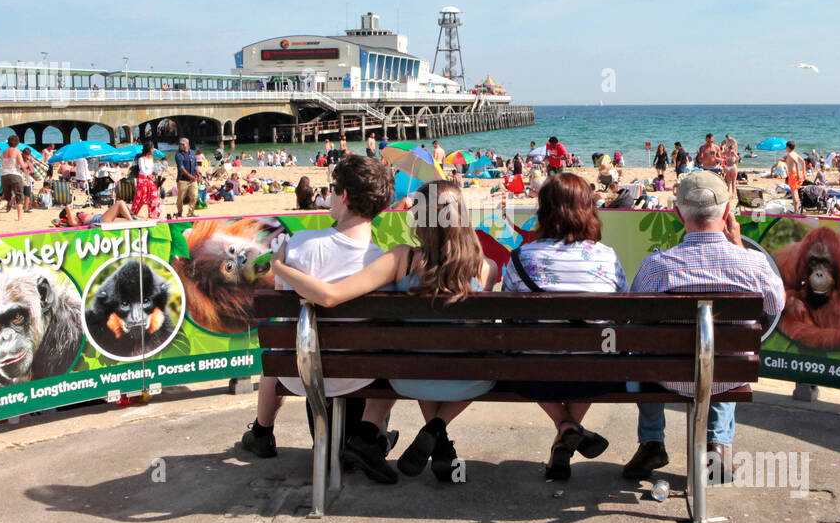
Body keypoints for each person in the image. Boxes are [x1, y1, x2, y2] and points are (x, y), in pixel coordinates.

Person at [271, 180, 499, 481]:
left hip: (407, 377)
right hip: (468, 382)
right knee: (465, 356)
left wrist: (280, 266)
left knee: (416, 352)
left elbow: (330, 296)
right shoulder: (487, 268)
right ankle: (436, 429)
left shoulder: (401, 259)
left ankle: (417, 439)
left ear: (421, 219)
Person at [240, 155, 398, 480]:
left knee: (280, 351)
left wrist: (281, 266)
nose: (329, 195)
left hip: (300, 371)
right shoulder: (382, 262)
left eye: (333, 188)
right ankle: (368, 438)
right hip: (360, 376)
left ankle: (262, 432)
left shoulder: (301, 246)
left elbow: (284, 297)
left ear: (344, 197)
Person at [625, 171, 785, 480]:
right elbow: (775, 306)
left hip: (665, 376)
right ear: (727, 213)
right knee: (725, 353)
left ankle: (652, 442)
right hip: (726, 376)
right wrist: (737, 244)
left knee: (642, 355)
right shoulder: (754, 265)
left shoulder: (656, 267)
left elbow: (635, 322)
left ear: (677, 214)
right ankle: (718, 446)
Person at [500, 173, 627, 480]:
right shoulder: (606, 257)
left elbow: (508, 319)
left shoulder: (519, 258)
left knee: (524, 353)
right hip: (596, 377)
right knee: (596, 355)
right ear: (588, 210)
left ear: (543, 211)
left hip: (533, 376)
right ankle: (568, 431)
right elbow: (622, 314)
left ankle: (565, 426)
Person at [0, 135, 28, 221]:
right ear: (17, 143)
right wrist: (27, 163)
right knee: (19, 196)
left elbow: (3, 164)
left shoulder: (4, 152)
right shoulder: (17, 152)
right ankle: (19, 218)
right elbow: (22, 166)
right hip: (15, 175)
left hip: (4, 175)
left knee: (6, 197)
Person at [132, 142, 162, 219]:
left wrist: (154, 173)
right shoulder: (141, 158)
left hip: (150, 179)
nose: (153, 150)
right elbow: (142, 169)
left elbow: (151, 169)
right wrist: (148, 175)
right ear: (149, 149)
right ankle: (133, 213)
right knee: (140, 198)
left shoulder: (151, 158)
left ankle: (154, 215)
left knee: (154, 196)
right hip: (143, 179)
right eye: (152, 148)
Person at [57, 200, 136, 227]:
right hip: (100, 220)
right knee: (120, 203)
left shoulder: (77, 217)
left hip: (102, 218)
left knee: (129, 218)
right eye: (70, 211)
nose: (72, 210)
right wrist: (67, 208)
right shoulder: (74, 221)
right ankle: (132, 222)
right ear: (67, 214)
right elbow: (67, 207)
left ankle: (133, 221)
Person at [174, 137, 198, 218]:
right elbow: (181, 168)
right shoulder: (178, 155)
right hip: (182, 180)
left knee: (194, 196)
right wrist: (190, 176)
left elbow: (195, 165)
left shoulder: (193, 153)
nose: (180, 146)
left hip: (192, 180)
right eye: (180, 144)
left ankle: (191, 212)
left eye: (182, 144)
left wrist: (198, 173)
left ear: (187, 144)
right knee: (180, 198)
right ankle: (179, 212)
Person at [783, 140, 806, 212]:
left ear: (788, 147)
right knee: (795, 191)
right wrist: (803, 172)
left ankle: (796, 211)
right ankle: (796, 209)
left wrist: (799, 173)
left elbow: (796, 162)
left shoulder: (790, 154)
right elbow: (803, 161)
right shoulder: (794, 153)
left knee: (794, 192)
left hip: (793, 174)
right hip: (796, 174)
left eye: (786, 147)